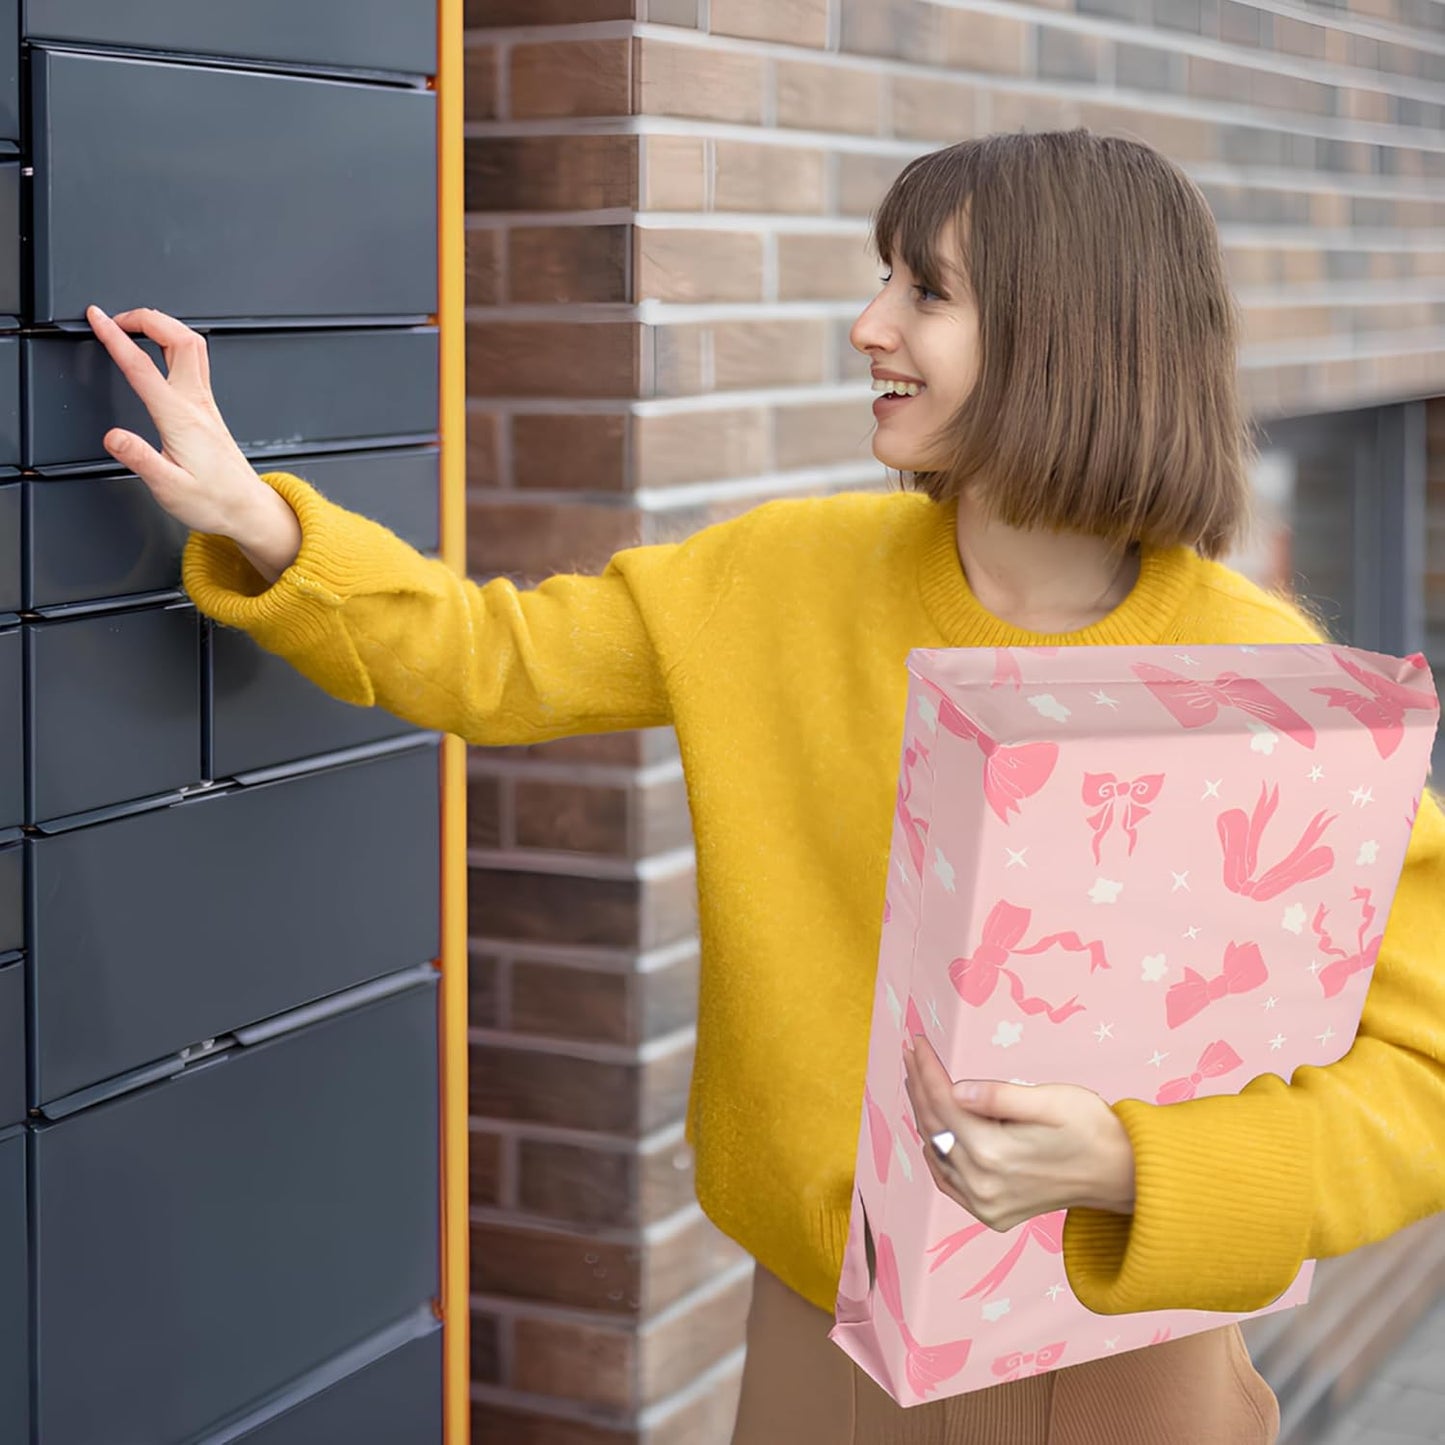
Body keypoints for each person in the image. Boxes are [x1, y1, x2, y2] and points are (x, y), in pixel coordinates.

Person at [85, 129, 1445, 1445]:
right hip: (826, 1339)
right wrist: (258, 515)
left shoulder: (1264, 680)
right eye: (881, 279)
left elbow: (1425, 1075)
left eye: (926, 291)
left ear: (1071, 332)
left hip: (1132, 1365)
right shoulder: (780, 579)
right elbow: (491, 659)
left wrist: (1131, 1166)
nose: (868, 325)